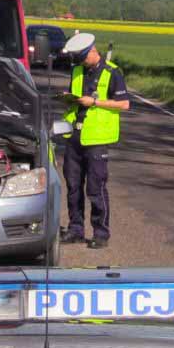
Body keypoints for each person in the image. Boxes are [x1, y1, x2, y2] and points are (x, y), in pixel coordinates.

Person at [59, 33, 130, 249]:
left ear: (93, 51)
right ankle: (75, 229)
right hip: (74, 135)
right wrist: (68, 99)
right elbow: (75, 97)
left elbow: (124, 104)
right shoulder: (77, 70)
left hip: (97, 139)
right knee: (73, 187)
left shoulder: (112, 72)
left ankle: (101, 233)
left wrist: (95, 102)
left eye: (83, 58)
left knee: (95, 188)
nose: (81, 62)